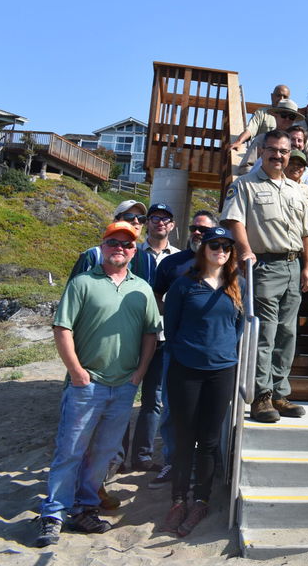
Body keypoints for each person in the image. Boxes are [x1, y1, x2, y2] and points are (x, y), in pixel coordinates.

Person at [33, 221, 161, 548]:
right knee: (70, 450)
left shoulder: (142, 289)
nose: (120, 247)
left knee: (103, 453)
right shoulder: (82, 283)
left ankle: (86, 507)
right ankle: (54, 513)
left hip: (124, 386)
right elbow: (62, 328)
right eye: (113, 242)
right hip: (86, 384)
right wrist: (76, 371)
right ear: (102, 246)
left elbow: (150, 332)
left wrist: (140, 372)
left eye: (128, 244)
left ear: (135, 251)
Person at [221, 128, 308, 423]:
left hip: (292, 267)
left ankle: (279, 392)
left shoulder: (295, 189)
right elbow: (234, 220)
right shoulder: (245, 185)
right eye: (273, 150)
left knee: (288, 335)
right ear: (262, 151)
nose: (278, 156)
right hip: (264, 267)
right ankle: (261, 397)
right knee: (265, 334)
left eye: (284, 151)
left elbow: (307, 232)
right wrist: (245, 250)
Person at [161, 226, 245, 537]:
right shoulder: (185, 285)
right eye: (214, 245)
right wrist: (191, 351)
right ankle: (177, 499)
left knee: (208, 442)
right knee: (185, 438)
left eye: (225, 246)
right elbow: (171, 327)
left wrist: (222, 349)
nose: (220, 250)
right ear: (204, 248)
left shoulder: (238, 284)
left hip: (221, 371)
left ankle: (201, 499)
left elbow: (238, 327)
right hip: (186, 369)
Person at [145, 210, 219, 490]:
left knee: (206, 411)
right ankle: (172, 462)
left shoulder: (222, 263)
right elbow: (156, 295)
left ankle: (200, 464)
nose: (198, 233)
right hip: (177, 348)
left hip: (211, 352)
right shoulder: (172, 263)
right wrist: (174, 317)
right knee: (172, 409)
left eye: (205, 229)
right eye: (195, 228)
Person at [123, 202, 181, 474]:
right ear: (148, 224)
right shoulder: (131, 253)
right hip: (132, 335)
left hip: (164, 336)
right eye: (154, 218)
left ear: (172, 225)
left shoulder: (180, 259)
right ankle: (117, 455)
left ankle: (143, 456)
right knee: (123, 394)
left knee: (153, 398)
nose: (160, 222)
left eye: (165, 219)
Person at [69, 200, 152, 281]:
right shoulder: (93, 256)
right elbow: (74, 290)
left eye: (141, 218)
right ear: (115, 221)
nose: (136, 221)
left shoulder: (147, 259)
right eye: (129, 216)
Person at [237, 98, 303, 175]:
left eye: (291, 117)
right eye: (284, 115)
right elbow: (245, 167)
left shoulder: (297, 144)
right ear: (275, 115)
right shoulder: (262, 139)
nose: (287, 119)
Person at [229, 84, 290, 153]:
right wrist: (239, 142)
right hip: (263, 155)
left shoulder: (293, 117)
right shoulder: (262, 113)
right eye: (278, 95)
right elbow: (250, 130)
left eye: (285, 97)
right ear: (272, 96)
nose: (281, 99)